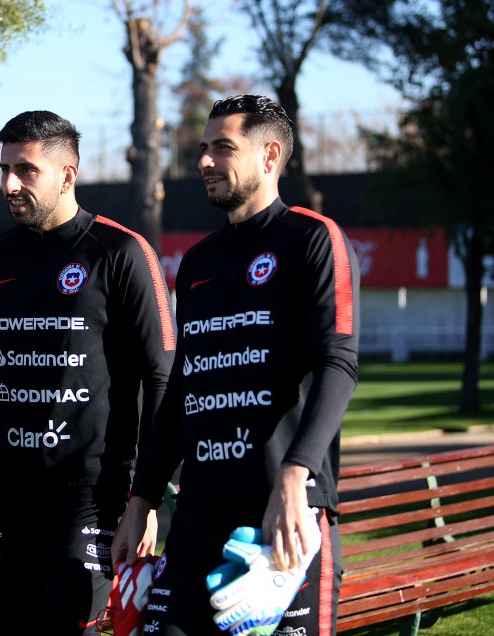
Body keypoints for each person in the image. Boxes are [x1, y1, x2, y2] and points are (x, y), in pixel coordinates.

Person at [112, 94, 360, 636]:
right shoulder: (198, 263)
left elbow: (338, 363)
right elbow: (183, 389)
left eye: (223, 148)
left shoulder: (313, 239)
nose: (204, 161)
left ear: (270, 155)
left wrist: (297, 475)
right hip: (199, 516)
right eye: (202, 149)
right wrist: (143, 498)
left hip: (283, 518)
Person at [0, 111, 176, 634]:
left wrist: (147, 497)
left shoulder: (121, 252)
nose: (9, 183)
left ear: (68, 175)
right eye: (4, 168)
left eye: (26, 170)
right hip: (15, 496)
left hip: (93, 498)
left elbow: (162, 378)